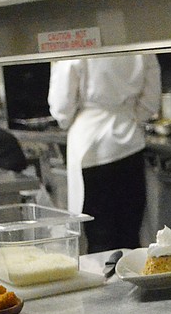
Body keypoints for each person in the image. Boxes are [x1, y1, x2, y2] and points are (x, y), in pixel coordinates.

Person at [47, 54, 160, 253]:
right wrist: (128, 117)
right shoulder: (139, 40)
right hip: (131, 144)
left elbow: (62, 108)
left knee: (100, 240)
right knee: (131, 237)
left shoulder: (78, 42)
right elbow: (151, 102)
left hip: (91, 147)